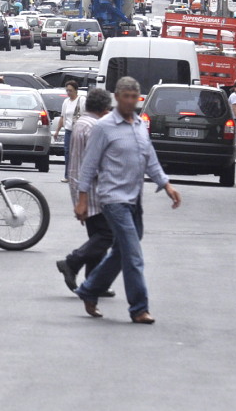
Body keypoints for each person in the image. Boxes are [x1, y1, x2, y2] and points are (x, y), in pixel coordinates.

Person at [72, 76, 181, 323]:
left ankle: (89, 289)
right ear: (117, 98)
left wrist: (166, 184)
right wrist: (82, 199)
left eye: (134, 97)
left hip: (134, 198)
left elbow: (150, 159)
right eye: (126, 96)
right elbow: (88, 165)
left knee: (122, 251)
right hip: (113, 199)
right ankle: (139, 308)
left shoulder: (140, 125)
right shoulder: (103, 127)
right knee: (133, 254)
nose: (130, 101)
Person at [57, 87, 115, 293]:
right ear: (104, 108)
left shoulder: (82, 123)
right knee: (107, 234)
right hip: (93, 189)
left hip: (80, 184)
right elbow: (95, 162)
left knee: (97, 236)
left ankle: (94, 282)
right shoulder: (94, 127)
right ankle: (72, 262)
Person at [54, 81, 81, 182]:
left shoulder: (81, 100)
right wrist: (57, 131)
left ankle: (78, 175)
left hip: (78, 131)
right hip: (68, 131)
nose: (69, 93)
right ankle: (67, 175)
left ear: (76, 90)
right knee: (67, 153)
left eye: (71, 90)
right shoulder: (66, 102)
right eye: (67, 91)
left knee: (78, 153)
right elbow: (62, 117)